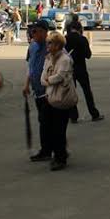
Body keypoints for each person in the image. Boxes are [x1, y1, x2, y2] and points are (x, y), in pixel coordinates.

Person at [40, 31, 73, 171]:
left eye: (50, 43)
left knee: (59, 129)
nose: (47, 45)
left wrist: (48, 80)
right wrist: (47, 80)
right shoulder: (48, 58)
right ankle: (55, 153)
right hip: (49, 96)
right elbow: (43, 76)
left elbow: (60, 76)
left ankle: (60, 158)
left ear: (58, 45)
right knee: (48, 127)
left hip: (61, 98)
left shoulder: (65, 59)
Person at [23, 20, 53, 162]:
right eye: (32, 31)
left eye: (35, 31)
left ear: (44, 32)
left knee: (48, 122)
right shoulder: (33, 47)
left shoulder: (52, 47)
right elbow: (30, 66)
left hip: (49, 92)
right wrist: (26, 84)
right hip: (37, 90)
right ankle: (47, 149)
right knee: (43, 121)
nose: (32, 34)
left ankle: (51, 150)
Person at [65, 21, 103, 122]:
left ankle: (73, 115)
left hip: (69, 69)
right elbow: (88, 55)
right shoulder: (82, 39)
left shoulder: (65, 39)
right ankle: (94, 113)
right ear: (79, 29)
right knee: (87, 92)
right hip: (81, 68)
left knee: (71, 92)